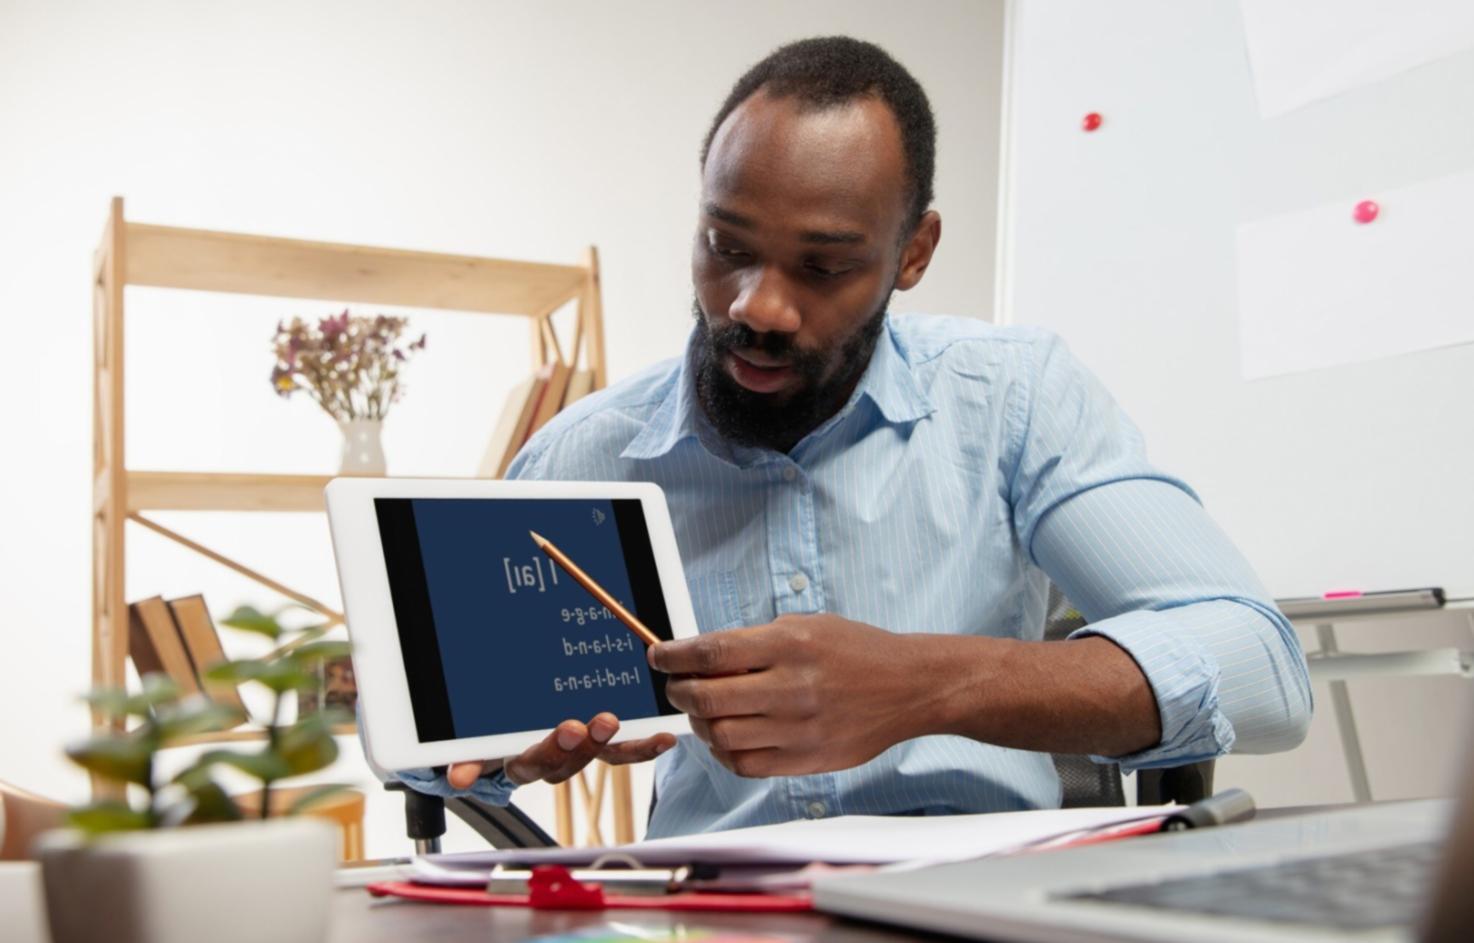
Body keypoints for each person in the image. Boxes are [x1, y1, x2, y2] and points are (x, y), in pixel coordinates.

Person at [399, 36, 1311, 838]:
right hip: (710, 913)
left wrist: (925, 683)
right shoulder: (578, 455)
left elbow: (1263, 668)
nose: (756, 304)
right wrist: (479, 750)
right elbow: (428, 749)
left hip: (977, 901)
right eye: (726, 245)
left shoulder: (1015, 397)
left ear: (914, 252)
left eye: (824, 266)